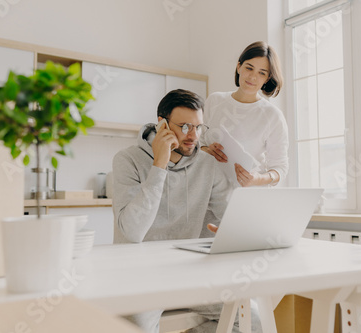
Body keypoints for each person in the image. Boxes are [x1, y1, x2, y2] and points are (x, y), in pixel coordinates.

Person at [112, 89, 262, 333]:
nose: (193, 136)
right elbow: (132, 233)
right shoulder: (127, 160)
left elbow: (230, 214)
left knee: (252, 319)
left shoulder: (207, 164)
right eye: (184, 127)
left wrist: (236, 227)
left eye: (198, 127)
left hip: (190, 275)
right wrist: (159, 164)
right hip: (140, 278)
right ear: (162, 125)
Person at [200, 41, 289, 188]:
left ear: (267, 78)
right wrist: (206, 150)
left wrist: (258, 179)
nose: (253, 77)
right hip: (211, 192)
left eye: (262, 73)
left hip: (248, 196)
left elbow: (280, 168)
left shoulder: (272, 115)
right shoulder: (215, 101)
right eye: (249, 68)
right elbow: (197, 143)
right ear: (239, 66)